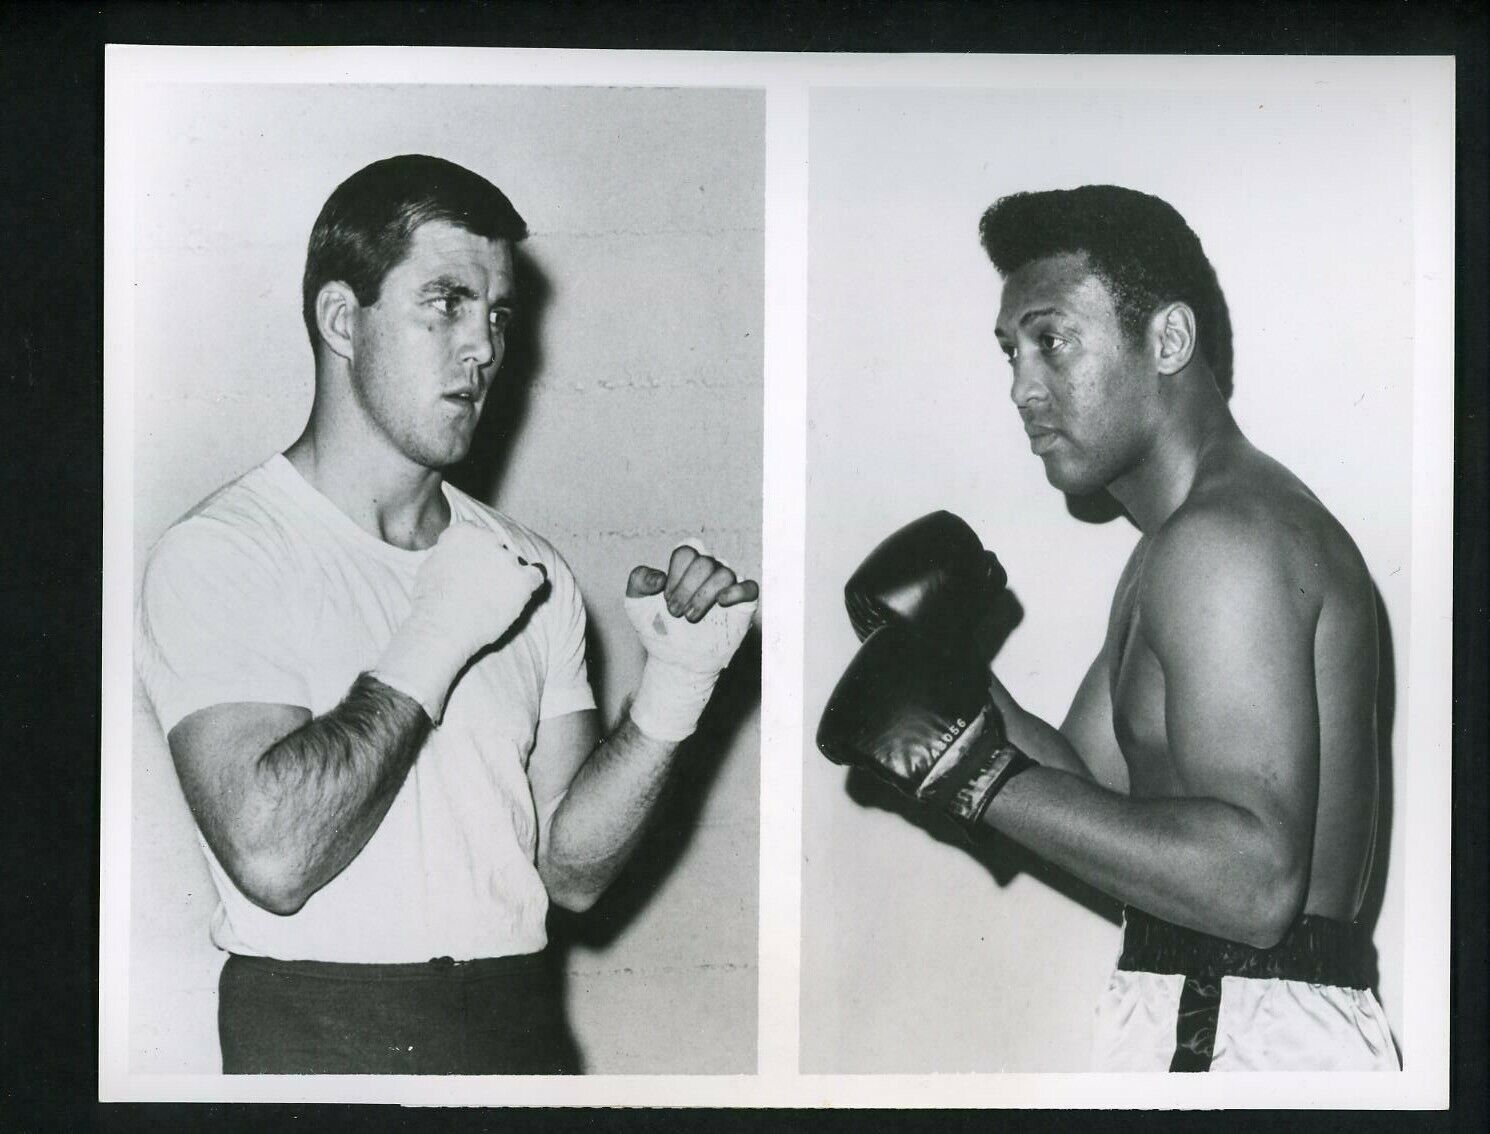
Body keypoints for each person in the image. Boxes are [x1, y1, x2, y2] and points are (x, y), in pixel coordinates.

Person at [135, 154, 759, 1075]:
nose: (484, 346)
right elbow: (272, 858)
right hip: (318, 1029)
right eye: (446, 302)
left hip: (514, 1021)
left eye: (498, 313)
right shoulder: (224, 551)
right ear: (343, 320)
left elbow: (571, 876)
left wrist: (675, 687)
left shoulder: (526, 566)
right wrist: (438, 631)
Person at [817, 185, 1396, 1071]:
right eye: (1011, 352)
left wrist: (973, 773)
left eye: (1052, 340)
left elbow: (1255, 885)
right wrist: (948, 675)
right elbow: (1093, 792)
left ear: (1167, 340)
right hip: (1226, 1011)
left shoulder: (1224, 545)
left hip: (1239, 1024)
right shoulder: (1180, 544)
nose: (1020, 386)